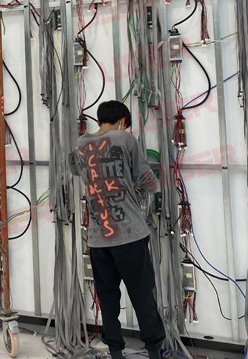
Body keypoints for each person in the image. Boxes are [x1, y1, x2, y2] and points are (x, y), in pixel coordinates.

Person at [69, 100, 165, 359]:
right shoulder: (126, 139)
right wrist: (136, 187)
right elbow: (148, 181)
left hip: (98, 239)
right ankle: (154, 351)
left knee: (108, 298)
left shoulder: (81, 144)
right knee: (142, 295)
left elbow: (75, 169)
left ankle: (115, 352)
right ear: (123, 121)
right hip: (130, 235)